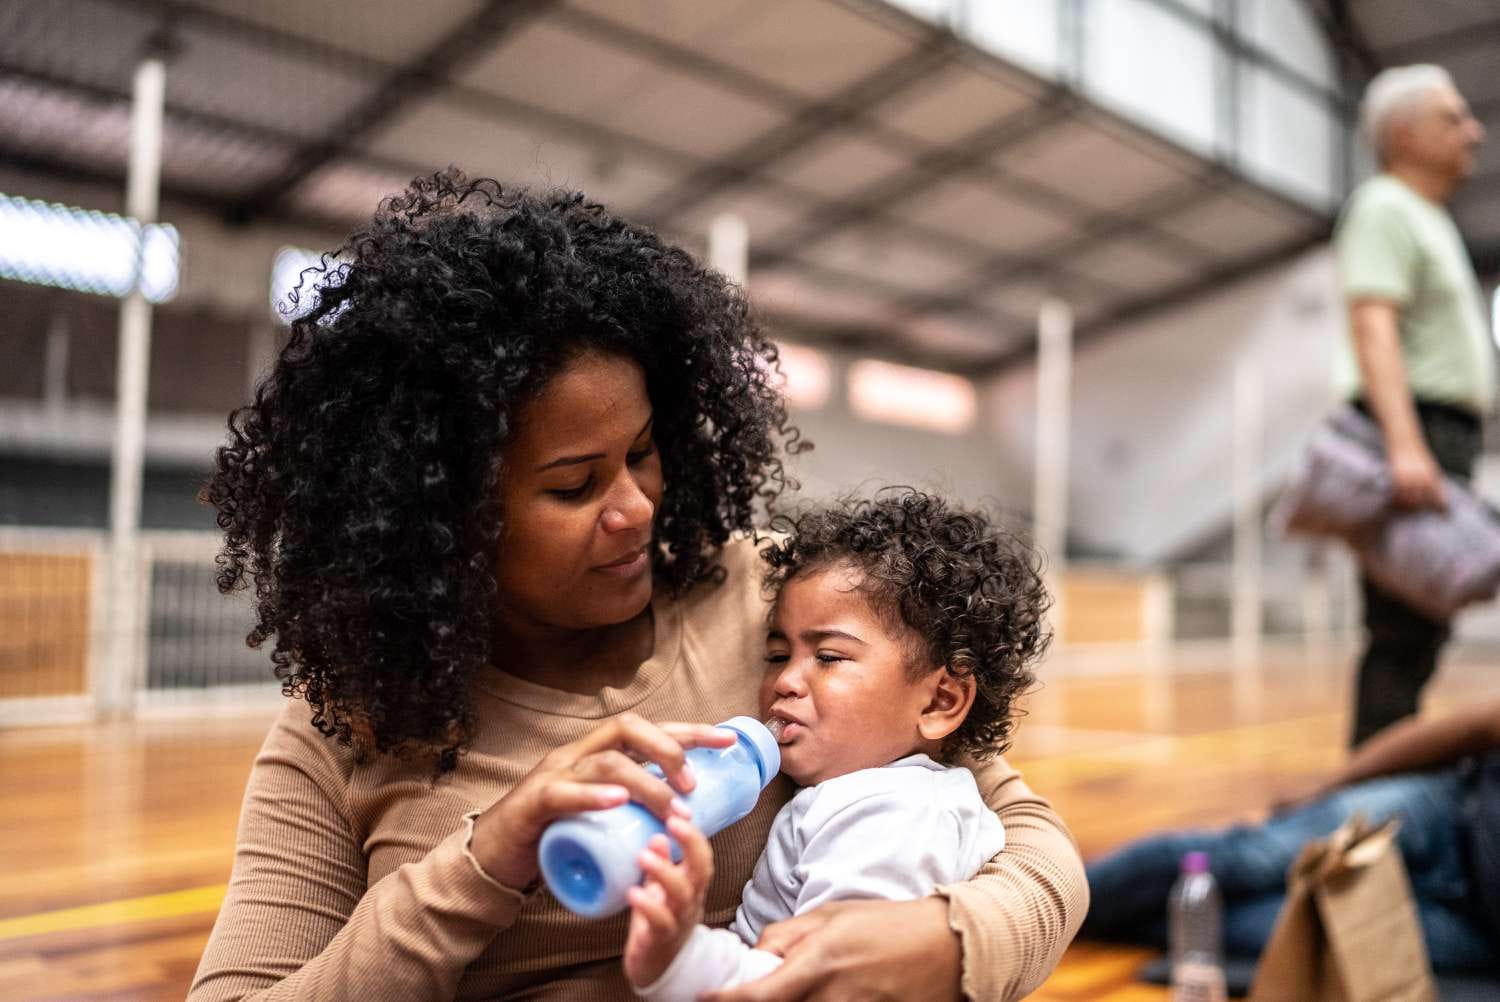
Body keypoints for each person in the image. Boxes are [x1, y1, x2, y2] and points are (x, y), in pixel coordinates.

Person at [187, 169, 1087, 1002]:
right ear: (443, 514)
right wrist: (489, 859)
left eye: (644, 454)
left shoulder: (776, 601)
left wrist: (948, 940)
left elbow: (1032, 842)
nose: (636, 507)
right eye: (574, 485)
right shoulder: (352, 716)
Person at [623, 491, 1046, 1000]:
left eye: (828, 656)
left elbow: (822, 982)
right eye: (778, 654)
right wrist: (676, 957)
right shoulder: (867, 797)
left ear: (940, 702)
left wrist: (680, 963)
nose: (786, 681)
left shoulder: (886, 816)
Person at [1081, 699, 1500, 974]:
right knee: (1246, 858)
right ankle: (1061, 900)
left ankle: (1078, 925)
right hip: (1443, 814)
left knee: (1278, 932)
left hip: (1476, 931)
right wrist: (1331, 787)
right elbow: (1466, 729)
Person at [1334, 64, 1491, 747]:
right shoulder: (1385, 208)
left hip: (1439, 433)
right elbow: (1374, 325)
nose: (1473, 130)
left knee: (1417, 639)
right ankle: (1366, 819)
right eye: (1452, 118)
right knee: (1401, 637)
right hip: (1416, 430)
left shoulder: (1425, 217)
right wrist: (1404, 445)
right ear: (1402, 133)